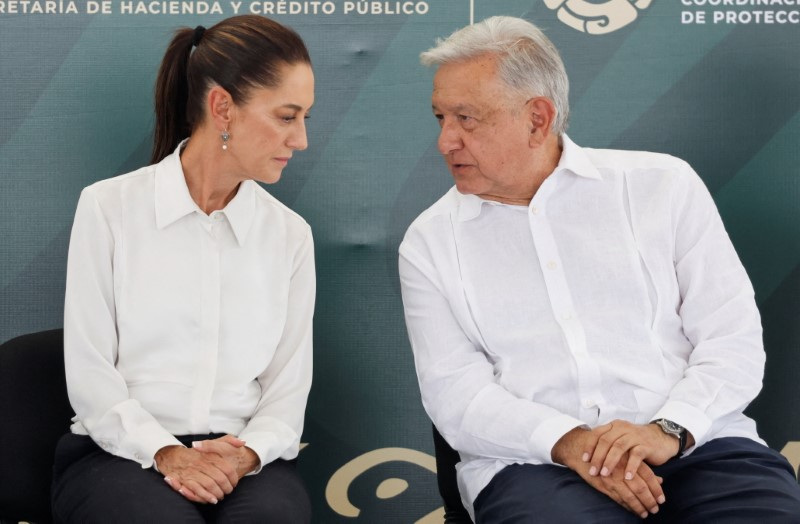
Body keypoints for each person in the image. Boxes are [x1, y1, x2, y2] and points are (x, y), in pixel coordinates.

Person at [399, 16, 800, 523]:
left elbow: (732, 339)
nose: (446, 141)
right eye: (440, 118)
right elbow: (455, 395)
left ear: (537, 119)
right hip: (536, 467)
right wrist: (570, 443)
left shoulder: (662, 186)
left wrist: (666, 431)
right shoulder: (431, 240)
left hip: (700, 445)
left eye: (466, 119)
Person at [53, 15, 315, 523]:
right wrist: (166, 451)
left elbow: (288, 388)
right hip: (119, 456)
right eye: (286, 116)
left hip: (245, 462)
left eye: (305, 117)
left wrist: (245, 455)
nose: (301, 139)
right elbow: (90, 376)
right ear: (223, 108)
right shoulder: (108, 208)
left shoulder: (289, 235)